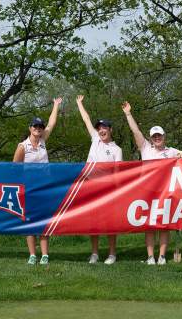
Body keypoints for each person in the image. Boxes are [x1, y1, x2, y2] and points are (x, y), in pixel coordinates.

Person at [122, 101, 182, 265]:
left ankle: (162, 256)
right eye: (154, 136)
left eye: (160, 136)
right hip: (147, 192)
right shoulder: (145, 149)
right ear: (151, 138)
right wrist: (128, 114)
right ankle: (151, 256)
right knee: (150, 226)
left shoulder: (171, 151)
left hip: (166, 193)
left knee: (164, 225)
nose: (157, 138)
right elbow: (135, 131)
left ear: (164, 137)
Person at [13, 97, 63, 266]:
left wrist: (55, 105)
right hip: (29, 190)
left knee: (44, 222)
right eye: (35, 126)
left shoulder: (43, 141)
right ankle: (32, 254)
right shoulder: (22, 146)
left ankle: (45, 255)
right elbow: (15, 168)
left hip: (45, 188)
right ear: (30, 128)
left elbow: (52, 123)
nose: (39, 129)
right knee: (30, 222)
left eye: (40, 127)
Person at [76, 95, 123, 265]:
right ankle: (94, 253)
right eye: (99, 128)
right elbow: (86, 119)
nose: (101, 130)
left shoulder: (117, 149)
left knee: (110, 223)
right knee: (93, 222)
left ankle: (112, 254)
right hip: (90, 187)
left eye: (104, 128)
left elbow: (118, 172)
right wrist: (79, 104)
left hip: (108, 190)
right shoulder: (95, 139)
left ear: (110, 130)